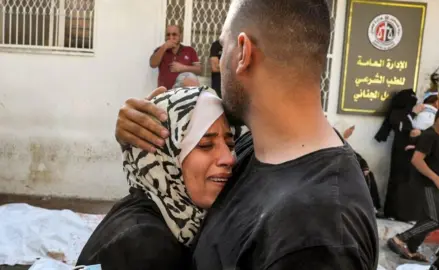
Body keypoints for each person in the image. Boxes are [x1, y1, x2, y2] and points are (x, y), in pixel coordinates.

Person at [115, 0, 379, 269]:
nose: (223, 156)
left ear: (243, 52)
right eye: (208, 144)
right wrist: (146, 140)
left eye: (223, 43)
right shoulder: (252, 147)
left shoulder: (320, 235)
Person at [76, 87, 235, 270]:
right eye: (206, 145)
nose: (229, 158)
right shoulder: (147, 248)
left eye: (230, 144)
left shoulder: (170, 217)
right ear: (164, 156)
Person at [388, 106, 439, 262]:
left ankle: (412, 249)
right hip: (426, 183)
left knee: (429, 219)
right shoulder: (429, 136)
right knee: (435, 219)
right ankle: (399, 239)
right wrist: (436, 178)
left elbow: (433, 161)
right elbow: (416, 160)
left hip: (434, 182)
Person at [375, 89, 424, 222]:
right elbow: (403, 127)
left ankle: (405, 214)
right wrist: (413, 113)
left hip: (411, 152)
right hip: (400, 151)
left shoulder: (411, 114)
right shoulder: (398, 114)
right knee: (397, 181)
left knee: (408, 182)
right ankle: (392, 212)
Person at [149, 25, 201, 89]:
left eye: (174, 34)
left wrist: (183, 68)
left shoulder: (190, 50)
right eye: (168, 35)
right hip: (164, 93)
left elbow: (199, 70)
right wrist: (164, 47)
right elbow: (152, 64)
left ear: (180, 36)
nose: (171, 37)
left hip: (184, 93)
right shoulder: (160, 50)